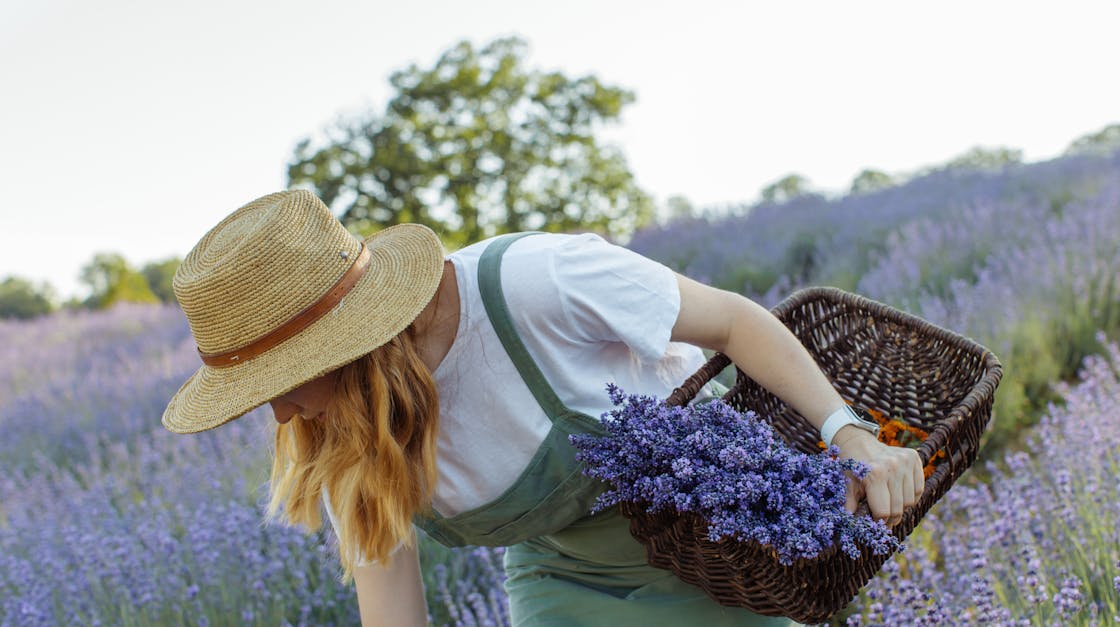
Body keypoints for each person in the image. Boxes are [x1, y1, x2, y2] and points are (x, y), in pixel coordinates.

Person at [163, 189, 923, 626]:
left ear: (339, 347)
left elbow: (735, 321)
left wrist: (848, 433)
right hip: (562, 586)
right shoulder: (342, 439)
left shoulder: (535, 283)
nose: (280, 416)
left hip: (714, 540)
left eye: (280, 382)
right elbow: (392, 609)